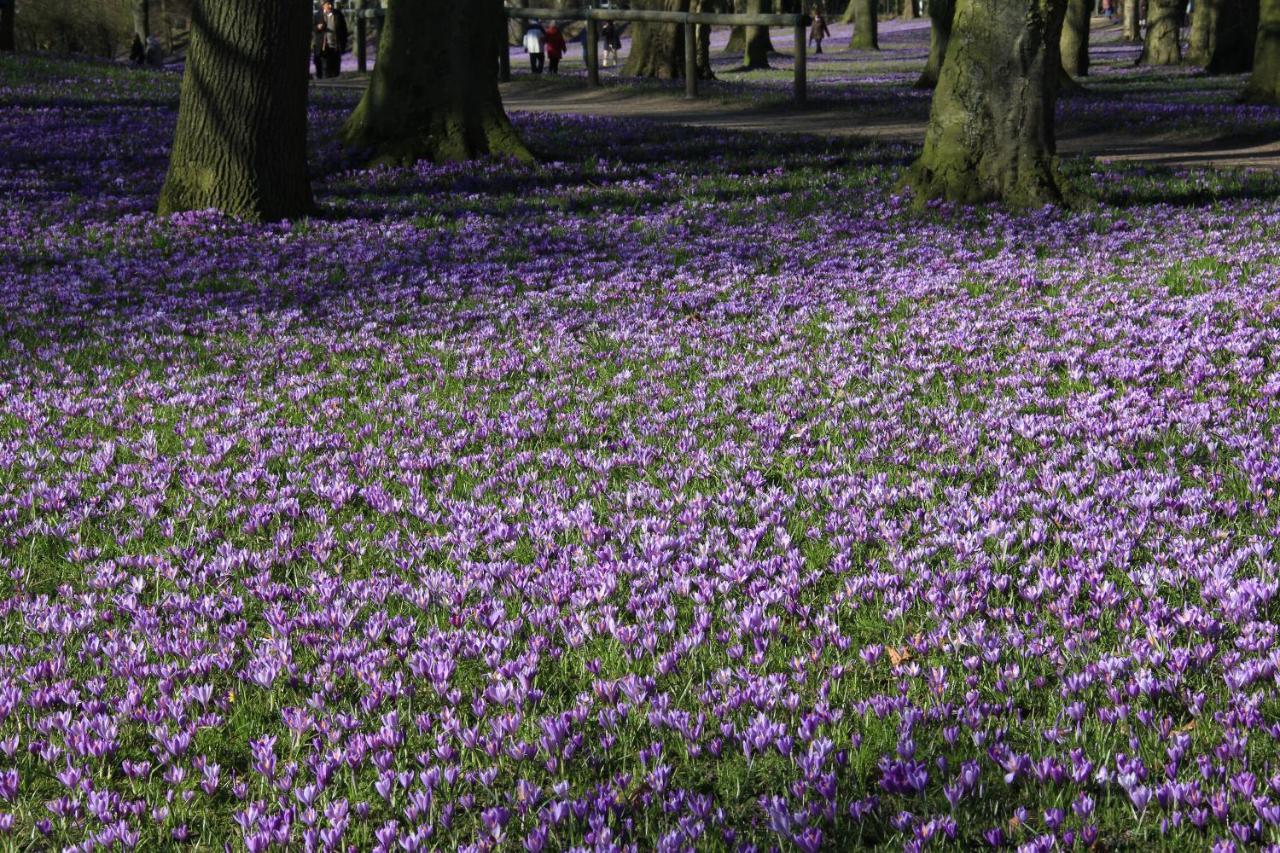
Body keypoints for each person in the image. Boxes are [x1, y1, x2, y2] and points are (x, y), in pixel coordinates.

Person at [313, 1, 348, 80]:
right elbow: (313, 28)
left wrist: (343, 44)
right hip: (323, 48)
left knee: (335, 71)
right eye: (328, 4)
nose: (330, 6)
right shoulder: (318, 15)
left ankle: (335, 89)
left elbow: (344, 31)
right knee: (325, 71)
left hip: (335, 47)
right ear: (323, 5)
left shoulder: (338, 15)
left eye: (331, 4)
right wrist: (318, 28)